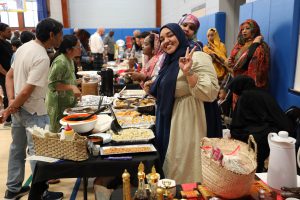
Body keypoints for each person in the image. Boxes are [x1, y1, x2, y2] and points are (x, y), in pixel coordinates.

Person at [147, 23, 219, 183]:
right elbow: (168, 87)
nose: (166, 41)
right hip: (171, 120)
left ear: (180, 35)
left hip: (190, 122)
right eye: (162, 38)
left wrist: (189, 72)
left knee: (187, 170)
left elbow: (211, 91)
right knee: (173, 165)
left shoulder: (198, 56)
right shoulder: (168, 61)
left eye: (170, 35)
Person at [1, 18, 64, 200]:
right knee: (39, 154)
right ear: (51, 35)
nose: (61, 39)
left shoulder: (23, 47)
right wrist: (10, 106)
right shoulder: (42, 57)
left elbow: (10, 77)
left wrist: (11, 101)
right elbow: (28, 90)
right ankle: (40, 193)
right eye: (59, 35)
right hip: (34, 110)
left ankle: (12, 189)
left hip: (19, 110)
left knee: (17, 149)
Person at [229, 75, 292, 172]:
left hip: (259, 137)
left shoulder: (245, 96)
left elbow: (238, 123)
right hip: (277, 133)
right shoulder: (263, 92)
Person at [46, 35, 82, 133]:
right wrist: (72, 87)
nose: (80, 49)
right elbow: (51, 85)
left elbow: (66, 80)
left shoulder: (70, 60)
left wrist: (78, 82)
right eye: (78, 47)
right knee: (58, 136)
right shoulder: (60, 62)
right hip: (58, 105)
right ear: (68, 49)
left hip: (67, 103)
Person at [227, 19, 270, 89]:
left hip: (249, 83)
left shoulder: (260, 46)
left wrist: (255, 43)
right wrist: (230, 62)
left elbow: (249, 59)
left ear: (254, 30)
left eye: (247, 28)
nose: (244, 31)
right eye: (242, 29)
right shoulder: (239, 45)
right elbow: (235, 61)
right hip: (237, 81)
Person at [0, 23, 13, 126]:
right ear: (1, 32)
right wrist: (6, 74)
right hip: (4, 74)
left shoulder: (8, 43)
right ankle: (7, 119)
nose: (10, 33)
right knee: (7, 95)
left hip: (11, 72)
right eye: (8, 31)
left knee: (12, 94)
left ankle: (12, 115)